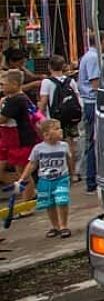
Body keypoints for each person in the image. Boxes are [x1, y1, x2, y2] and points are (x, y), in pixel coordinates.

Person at [17, 118, 71, 237]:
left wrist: (71, 175)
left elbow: (69, 160)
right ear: (46, 135)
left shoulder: (64, 146)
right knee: (49, 203)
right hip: (45, 180)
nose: (60, 130)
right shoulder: (38, 148)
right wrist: (22, 179)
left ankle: (63, 225)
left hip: (61, 178)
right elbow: (32, 164)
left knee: (62, 201)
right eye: (56, 129)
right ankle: (55, 226)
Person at [39, 55, 83, 183]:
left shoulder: (46, 82)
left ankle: (58, 173)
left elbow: (43, 102)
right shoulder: (71, 81)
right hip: (71, 117)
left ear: (49, 67)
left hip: (54, 119)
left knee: (54, 145)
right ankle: (73, 173)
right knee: (70, 145)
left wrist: (38, 116)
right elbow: (77, 98)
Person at [0, 69, 40, 203]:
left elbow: (2, 118)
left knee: (23, 172)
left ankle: (26, 201)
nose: (2, 87)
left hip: (22, 140)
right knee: (20, 171)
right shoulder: (15, 98)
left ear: (15, 84)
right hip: (17, 140)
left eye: (4, 84)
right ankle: (30, 193)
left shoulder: (16, 99)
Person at [77, 31, 104, 193]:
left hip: (89, 102)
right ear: (102, 41)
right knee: (94, 142)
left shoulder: (87, 57)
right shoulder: (93, 58)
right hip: (92, 103)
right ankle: (92, 179)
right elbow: (96, 84)